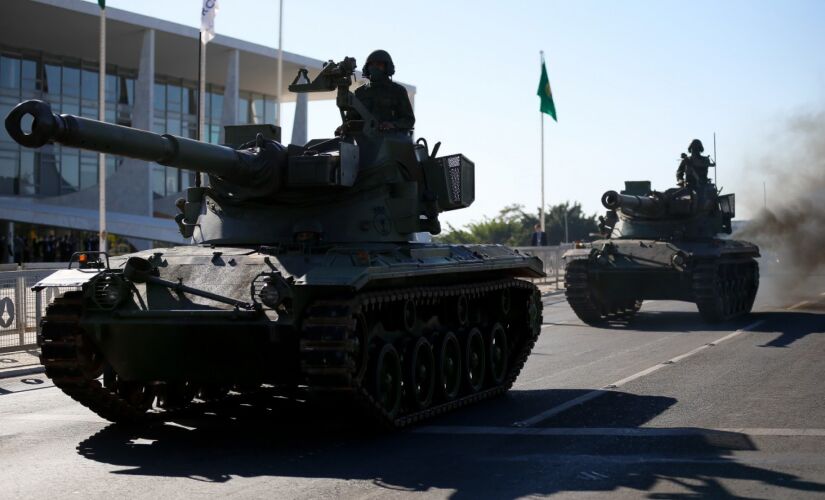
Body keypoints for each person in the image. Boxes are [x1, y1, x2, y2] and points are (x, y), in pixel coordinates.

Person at [345, 50, 415, 136]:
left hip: (392, 142)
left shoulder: (398, 91)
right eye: (371, 65)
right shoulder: (360, 92)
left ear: (387, 67)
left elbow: (409, 120)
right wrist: (345, 127)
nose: (374, 68)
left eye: (379, 64)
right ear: (367, 68)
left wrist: (393, 125)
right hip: (364, 143)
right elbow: (351, 119)